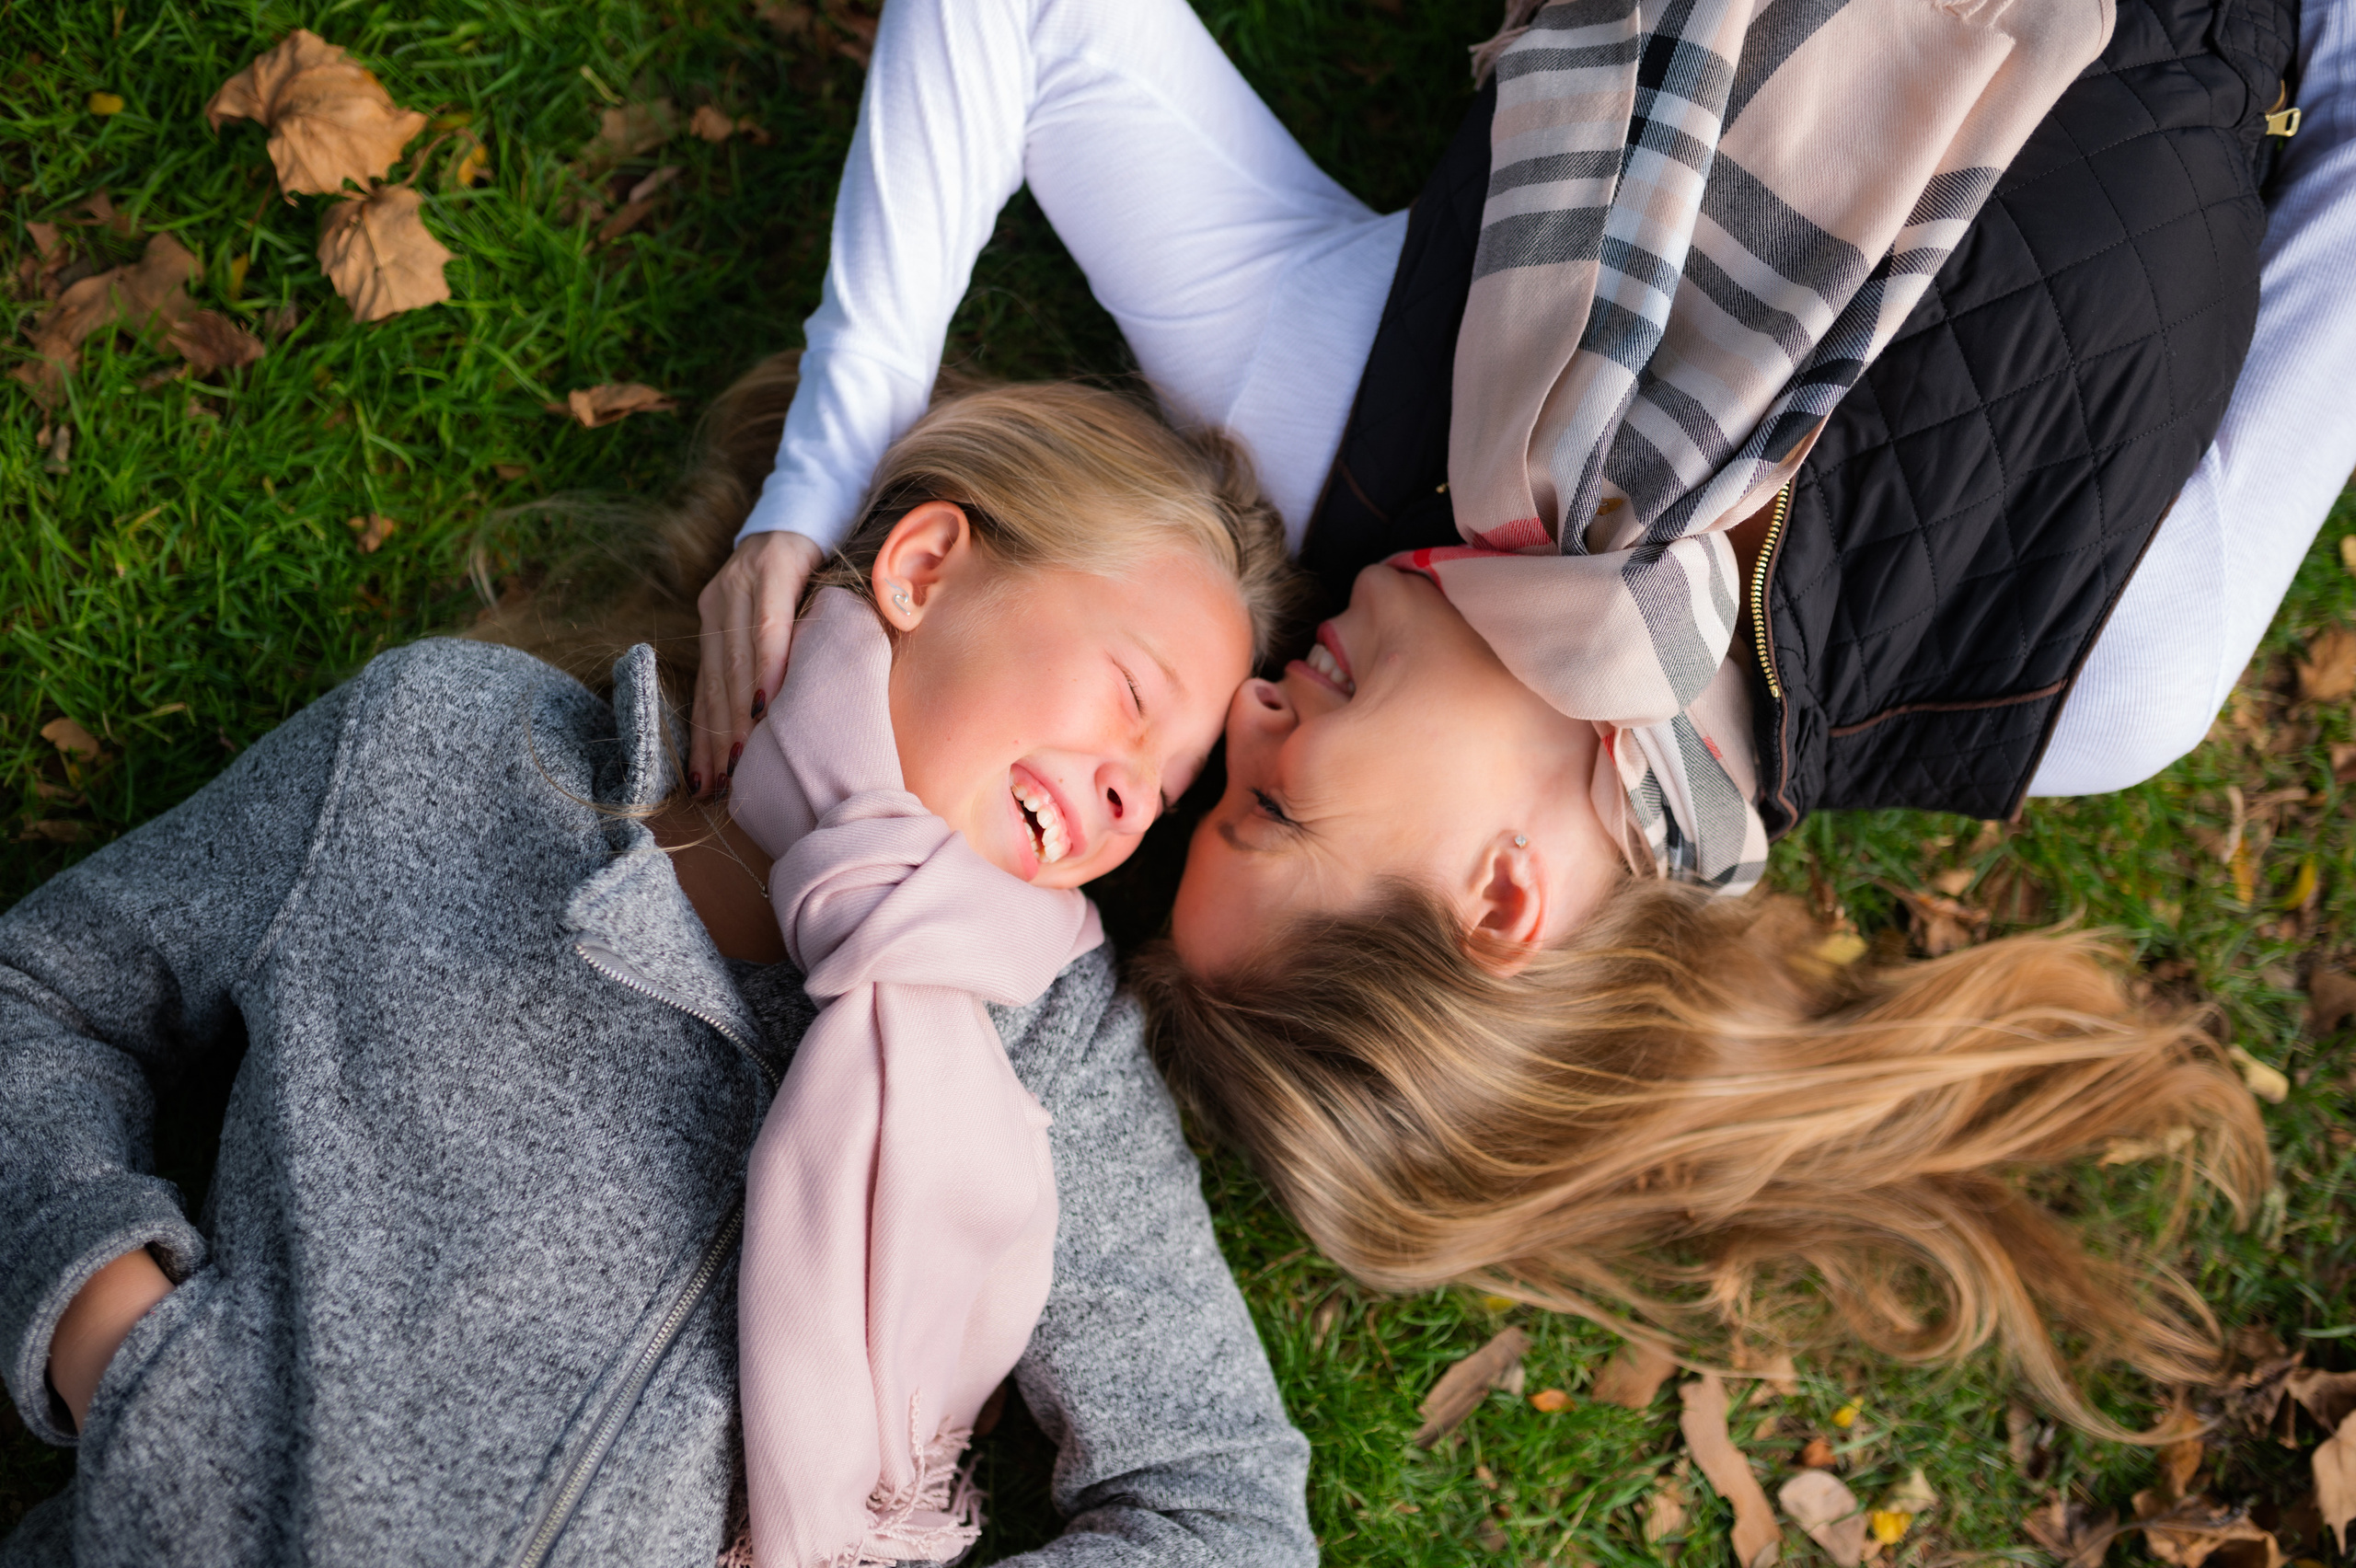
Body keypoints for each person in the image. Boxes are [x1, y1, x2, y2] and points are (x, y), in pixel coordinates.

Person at [689, 0, 2351, 1428]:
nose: (1257, 705)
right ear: (1504, 897)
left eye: (1219, 780)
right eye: (1269, 806)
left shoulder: (1338, 413)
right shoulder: (2087, 678)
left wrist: (819, 483)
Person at [0, 384, 1316, 1566]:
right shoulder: (449, 754)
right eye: (1131, 699)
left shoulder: (1044, 1051)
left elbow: (1222, 1508)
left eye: (1164, 785)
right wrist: (125, 1353)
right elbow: (44, 996)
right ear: (924, 568)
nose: (1129, 792)